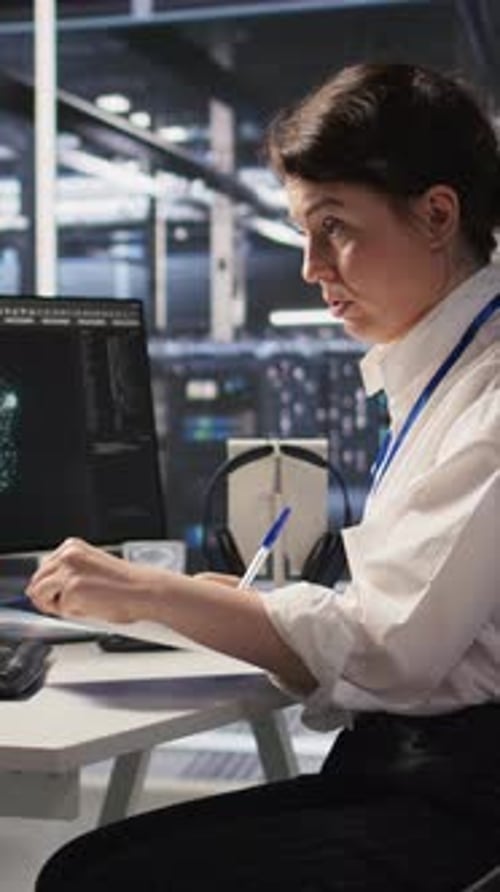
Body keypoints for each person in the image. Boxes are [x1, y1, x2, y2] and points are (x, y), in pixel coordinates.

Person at [29, 62, 499, 891]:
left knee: (90, 879)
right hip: (419, 771)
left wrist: (151, 593)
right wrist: (230, 604)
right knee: (88, 864)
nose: (314, 266)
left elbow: (391, 651)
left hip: (462, 800)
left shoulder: (490, 393)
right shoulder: (438, 375)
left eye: (335, 227)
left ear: (436, 215)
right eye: (303, 232)